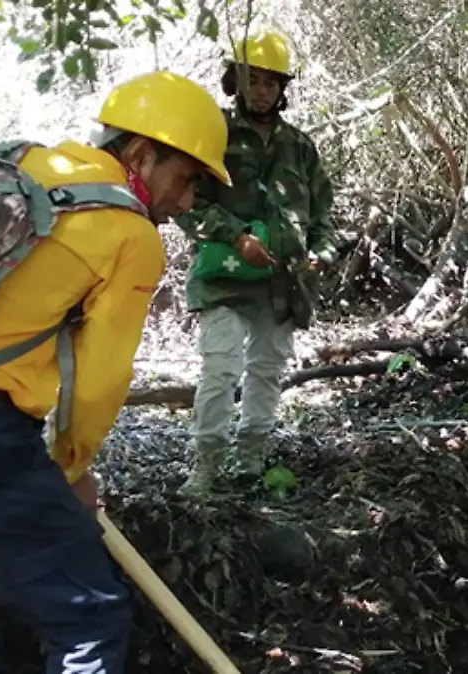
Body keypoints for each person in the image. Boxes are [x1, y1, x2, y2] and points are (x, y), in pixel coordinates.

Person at [0, 71, 231, 673]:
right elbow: (99, 381)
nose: (187, 202)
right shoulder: (130, 234)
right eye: (186, 178)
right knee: (89, 617)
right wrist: (72, 467)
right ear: (140, 153)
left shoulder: (28, 162)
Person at [177, 31, 337, 495]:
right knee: (221, 369)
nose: (263, 90)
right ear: (235, 80)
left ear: (284, 88)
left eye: (272, 82)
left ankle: (250, 461)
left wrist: (321, 255)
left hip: (282, 281)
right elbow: (188, 202)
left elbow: (323, 214)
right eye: (254, 79)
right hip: (223, 278)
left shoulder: (300, 147)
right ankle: (205, 467)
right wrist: (236, 236)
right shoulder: (215, 135)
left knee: (267, 370)